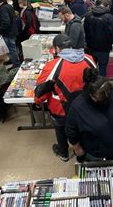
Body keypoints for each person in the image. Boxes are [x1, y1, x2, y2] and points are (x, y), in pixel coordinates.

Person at [34, 34, 96, 162]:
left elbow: (40, 92)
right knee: (81, 129)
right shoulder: (89, 59)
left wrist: (38, 102)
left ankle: (64, 153)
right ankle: (82, 154)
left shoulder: (52, 66)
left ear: (56, 49)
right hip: (86, 108)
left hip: (60, 110)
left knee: (60, 131)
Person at [66, 68, 113, 162]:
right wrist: (78, 150)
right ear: (91, 95)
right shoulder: (77, 107)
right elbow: (71, 132)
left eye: (108, 95)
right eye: (101, 98)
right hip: (94, 153)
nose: (106, 99)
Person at [83, 0, 113, 76]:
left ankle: (91, 84)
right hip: (104, 48)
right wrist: (112, 42)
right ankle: (100, 85)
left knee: (91, 67)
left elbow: (85, 31)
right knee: (102, 68)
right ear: (108, 6)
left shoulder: (88, 15)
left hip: (90, 47)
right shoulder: (109, 17)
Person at [0, 0, 20, 68]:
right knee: (11, 49)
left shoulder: (3, 9)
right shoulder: (7, 6)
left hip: (8, 33)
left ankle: (16, 64)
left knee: (11, 49)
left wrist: (0, 31)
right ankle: (12, 60)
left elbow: (6, 22)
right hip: (12, 31)